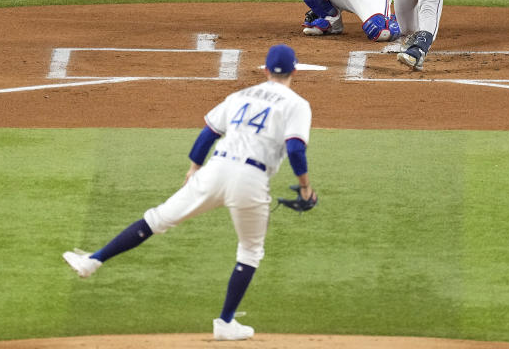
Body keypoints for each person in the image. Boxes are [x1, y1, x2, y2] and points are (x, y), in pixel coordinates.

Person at [62, 44, 318, 343]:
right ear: (295, 71)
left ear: (264, 69)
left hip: (216, 168)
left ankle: (93, 261)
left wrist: (194, 168)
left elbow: (208, 132)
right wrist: (305, 186)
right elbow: (296, 149)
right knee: (249, 251)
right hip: (251, 178)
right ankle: (225, 323)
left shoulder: (240, 96)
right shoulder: (297, 104)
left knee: (157, 219)